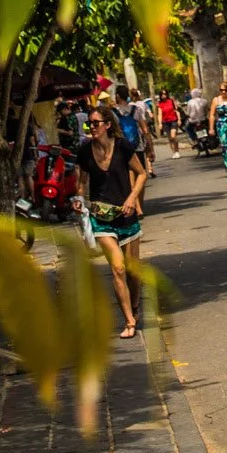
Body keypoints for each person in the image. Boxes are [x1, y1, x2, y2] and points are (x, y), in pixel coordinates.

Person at [73, 106, 149, 338]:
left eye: (95, 123)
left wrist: (132, 198)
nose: (91, 127)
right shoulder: (84, 151)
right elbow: (81, 182)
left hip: (126, 216)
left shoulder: (123, 147)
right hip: (101, 218)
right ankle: (128, 321)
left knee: (132, 273)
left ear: (107, 125)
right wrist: (78, 199)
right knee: (117, 268)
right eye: (89, 124)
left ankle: (134, 308)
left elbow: (142, 173)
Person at [157, 90, 182, 157]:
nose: (163, 95)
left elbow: (176, 111)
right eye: (162, 94)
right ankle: (173, 152)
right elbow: (159, 114)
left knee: (173, 136)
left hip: (173, 120)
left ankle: (177, 151)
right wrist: (160, 123)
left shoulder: (171, 101)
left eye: (165, 94)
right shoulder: (160, 104)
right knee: (170, 138)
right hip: (165, 122)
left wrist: (179, 120)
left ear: (167, 94)